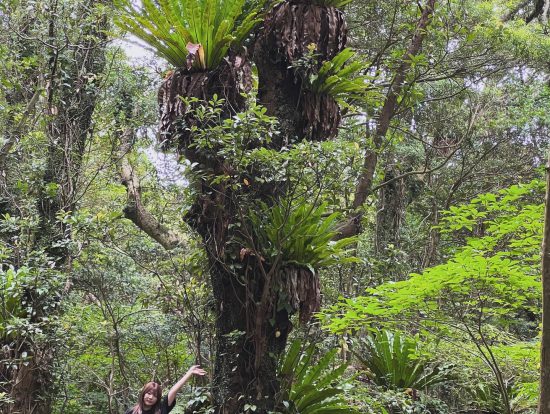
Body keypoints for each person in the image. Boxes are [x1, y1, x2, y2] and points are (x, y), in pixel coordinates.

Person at [126, 365, 206, 414]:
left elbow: (173, 390)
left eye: (155, 395)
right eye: (149, 393)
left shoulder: (162, 408)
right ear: (143, 394)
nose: (150, 397)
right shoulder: (132, 411)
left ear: (158, 398)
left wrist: (189, 373)